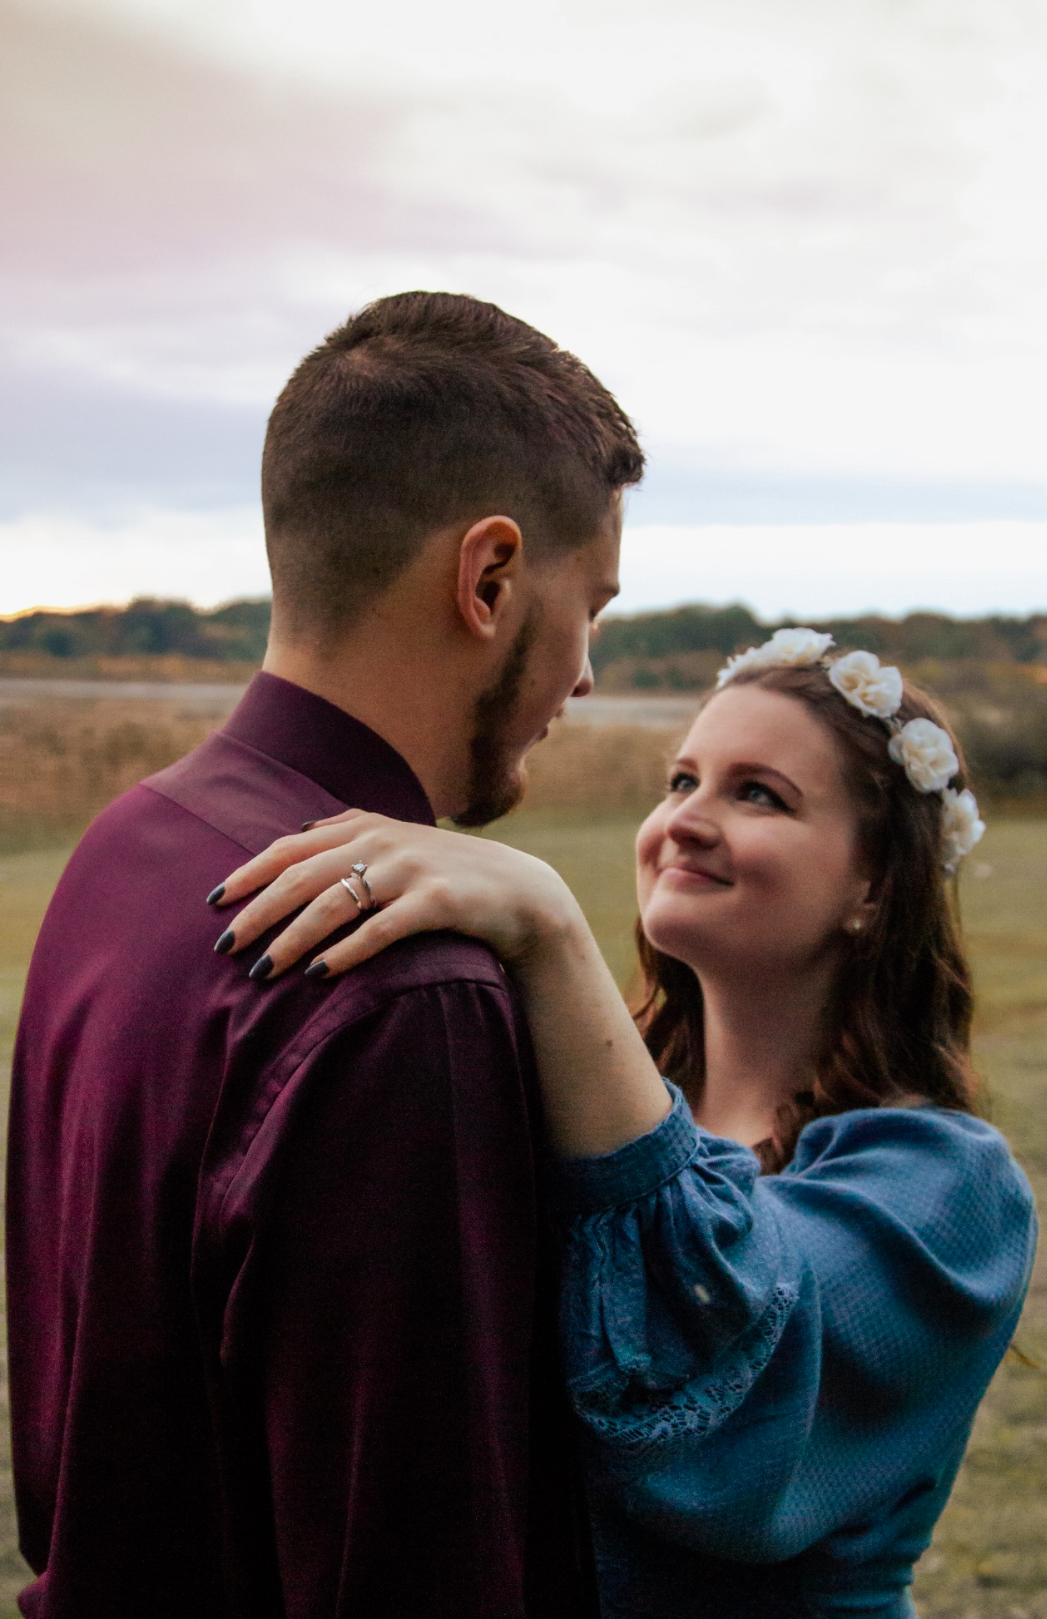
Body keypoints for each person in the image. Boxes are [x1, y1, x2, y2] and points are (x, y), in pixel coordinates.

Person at [7, 290, 643, 1617]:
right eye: (593, 606)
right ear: (489, 576)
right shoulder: (403, 984)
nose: (585, 675)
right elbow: (420, 1566)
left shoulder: (126, 850)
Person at [208, 628, 1037, 1619]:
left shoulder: (950, 1189)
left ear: (876, 885)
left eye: (758, 792)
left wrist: (551, 932)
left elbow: (727, 1395)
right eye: (681, 779)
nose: (686, 818)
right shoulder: (579, 1100)